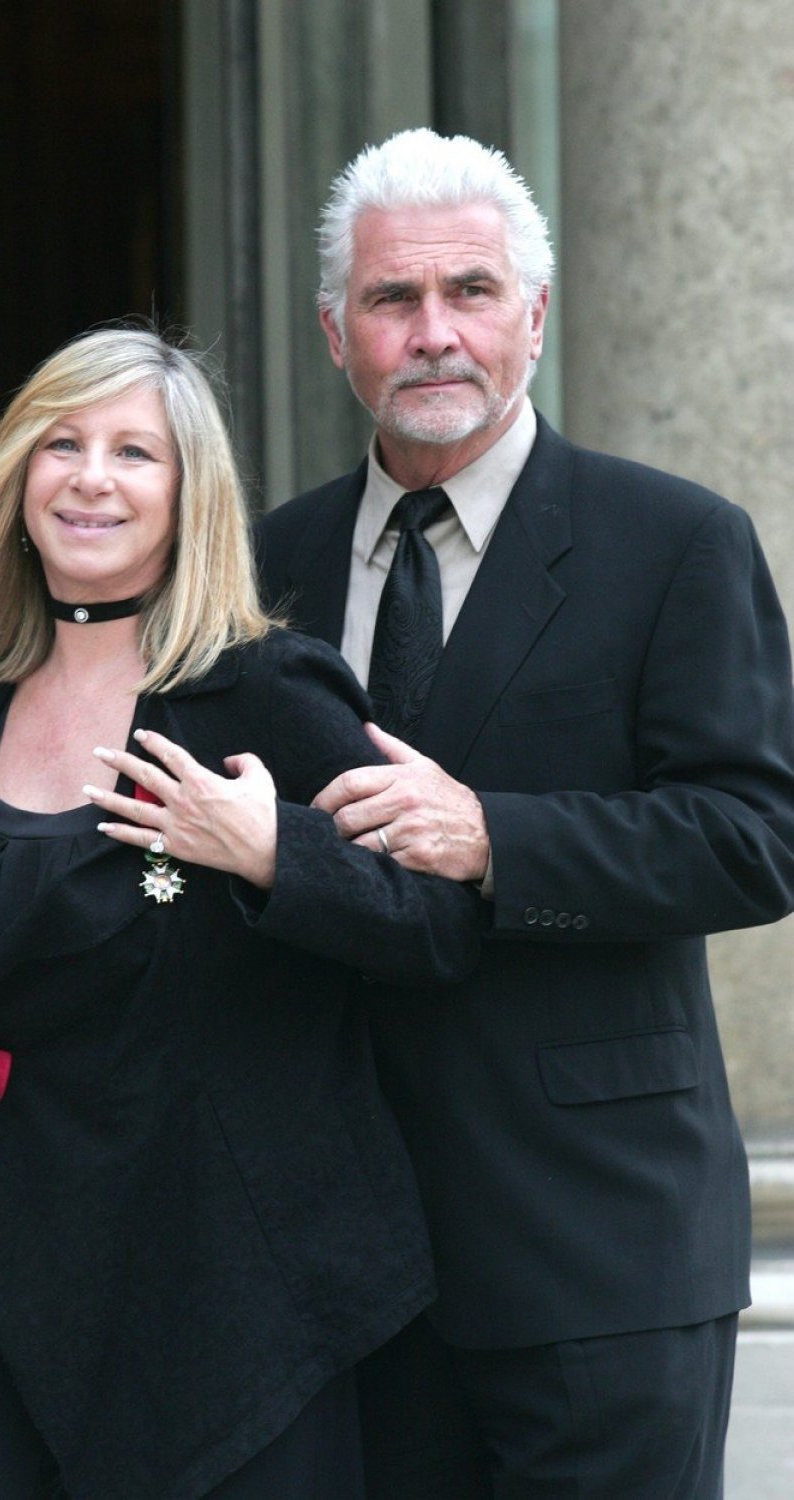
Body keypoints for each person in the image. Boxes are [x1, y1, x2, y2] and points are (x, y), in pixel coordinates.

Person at [0, 327, 486, 1500]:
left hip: (227, 1282)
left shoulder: (267, 687)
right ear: (19, 478)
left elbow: (435, 928)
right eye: (61, 443)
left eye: (135, 452)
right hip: (5, 1250)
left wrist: (274, 850)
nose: (92, 476)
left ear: (190, 496)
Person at [255, 128, 794, 1498]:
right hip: (334, 1270)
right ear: (335, 333)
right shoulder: (269, 561)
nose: (435, 334)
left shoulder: (675, 541)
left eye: (472, 292)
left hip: (595, 1249)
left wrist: (495, 838)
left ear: (536, 315)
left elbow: (754, 835)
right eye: (392, 301)